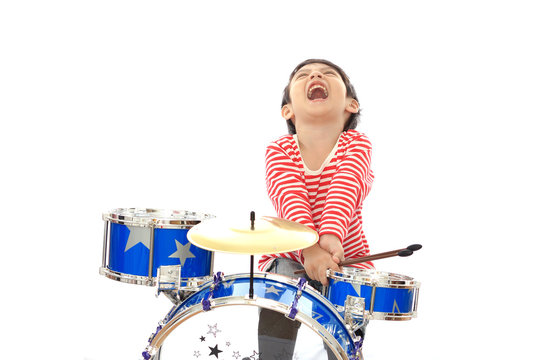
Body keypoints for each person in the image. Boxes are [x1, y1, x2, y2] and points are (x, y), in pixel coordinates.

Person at [258, 59, 374, 359]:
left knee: (346, 335)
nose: (316, 75)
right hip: (290, 254)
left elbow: (345, 188)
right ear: (288, 111)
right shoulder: (280, 150)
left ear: (351, 104)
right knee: (279, 286)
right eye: (303, 76)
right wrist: (309, 247)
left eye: (328, 74)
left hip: (346, 257)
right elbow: (289, 196)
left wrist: (331, 239)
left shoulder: (357, 145)